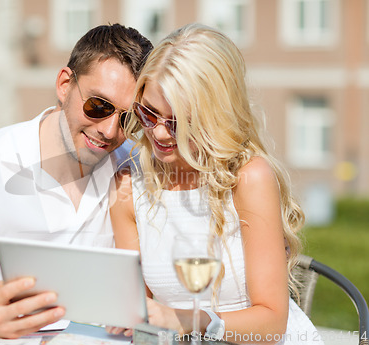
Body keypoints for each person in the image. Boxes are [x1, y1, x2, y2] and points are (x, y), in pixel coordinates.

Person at [0, 23, 153, 344]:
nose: (109, 131)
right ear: (64, 84)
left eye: (128, 118)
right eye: (98, 106)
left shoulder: (138, 166)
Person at [110, 23, 324, 344]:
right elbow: (138, 313)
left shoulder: (248, 178)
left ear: (214, 118)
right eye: (149, 113)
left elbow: (272, 324)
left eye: (179, 121)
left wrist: (188, 321)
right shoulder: (129, 186)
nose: (159, 133)